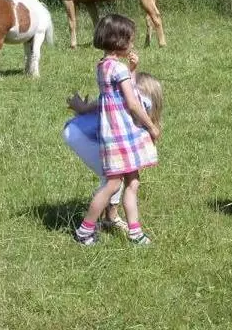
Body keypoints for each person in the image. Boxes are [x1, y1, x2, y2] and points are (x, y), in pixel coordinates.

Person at [73, 14, 161, 246]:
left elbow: (121, 92)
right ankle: (84, 230)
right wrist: (151, 126)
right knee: (114, 184)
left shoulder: (104, 66)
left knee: (132, 182)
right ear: (119, 41)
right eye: (130, 40)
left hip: (115, 135)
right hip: (123, 135)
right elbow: (132, 102)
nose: (132, 44)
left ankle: (135, 232)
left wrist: (132, 69)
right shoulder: (118, 69)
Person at [63, 71, 164, 234]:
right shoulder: (136, 102)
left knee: (116, 172)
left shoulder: (123, 102)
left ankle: (109, 217)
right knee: (113, 176)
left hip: (78, 130)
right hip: (82, 134)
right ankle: (88, 227)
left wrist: (83, 108)